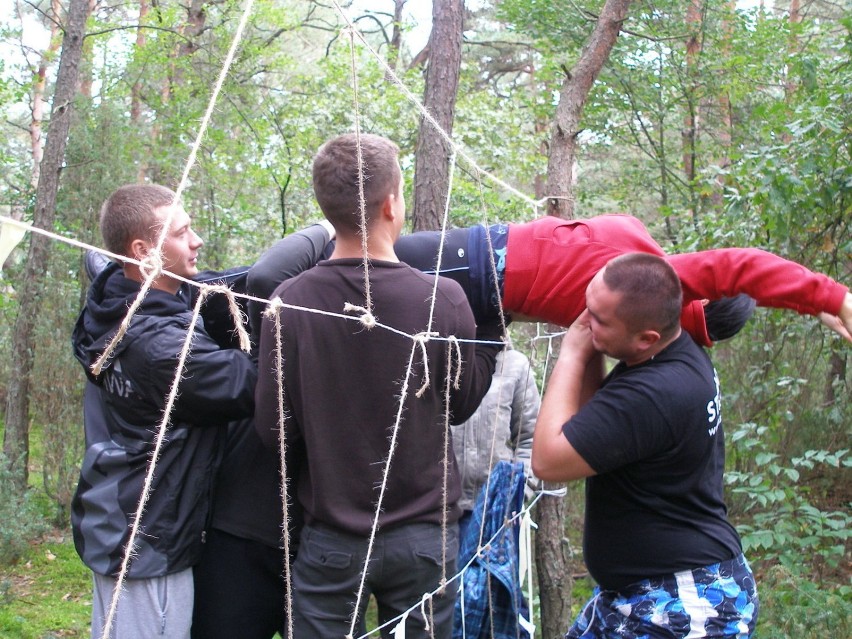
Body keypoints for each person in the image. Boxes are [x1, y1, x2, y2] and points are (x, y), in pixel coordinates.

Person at [254, 133, 501, 637]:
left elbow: (274, 432)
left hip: (331, 539)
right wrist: (491, 334)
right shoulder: (445, 298)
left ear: (326, 206)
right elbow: (461, 404)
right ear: (391, 204)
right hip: (423, 540)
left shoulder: (289, 302)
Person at [532, 252, 759, 638]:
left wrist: (572, 351)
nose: (586, 322)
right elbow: (589, 426)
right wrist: (593, 344)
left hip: (683, 601)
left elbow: (549, 461)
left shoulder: (653, 393)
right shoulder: (669, 357)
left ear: (645, 338)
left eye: (599, 320)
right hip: (640, 591)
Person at [71, 184, 257, 639]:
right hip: (147, 538)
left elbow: (204, 286)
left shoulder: (115, 295)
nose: (196, 241)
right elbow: (250, 381)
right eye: (182, 232)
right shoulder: (158, 346)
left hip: (119, 516)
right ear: (142, 250)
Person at [250, 213, 852, 346]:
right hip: (476, 262)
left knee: (352, 312)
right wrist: (830, 297)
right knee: (337, 266)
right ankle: (232, 295)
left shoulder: (648, 291)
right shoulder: (663, 282)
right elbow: (742, 267)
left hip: (487, 285)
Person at [452, 346, 540, 538]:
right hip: (438, 512)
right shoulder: (438, 355)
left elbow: (530, 438)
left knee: (491, 569)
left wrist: (516, 493)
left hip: (496, 511)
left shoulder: (516, 365)